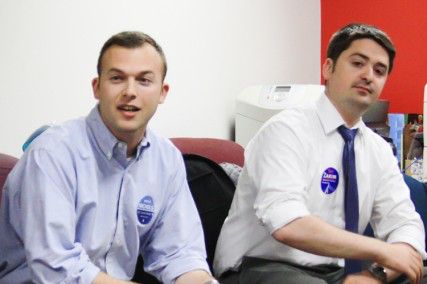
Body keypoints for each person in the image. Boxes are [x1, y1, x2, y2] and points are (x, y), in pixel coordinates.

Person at [213, 23, 426, 284]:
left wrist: (377, 275)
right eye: (358, 63)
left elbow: (405, 223)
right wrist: (380, 250)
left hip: (336, 273)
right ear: (328, 68)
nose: (369, 75)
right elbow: (287, 224)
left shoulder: (378, 150)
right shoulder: (285, 131)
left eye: (379, 70)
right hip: (262, 268)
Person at [0, 31, 219, 284]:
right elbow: (56, 268)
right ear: (97, 87)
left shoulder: (166, 159)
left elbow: (180, 253)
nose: (130, 91)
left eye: (144, 81)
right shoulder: (51, 154)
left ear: (162, 92)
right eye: (117, 78)